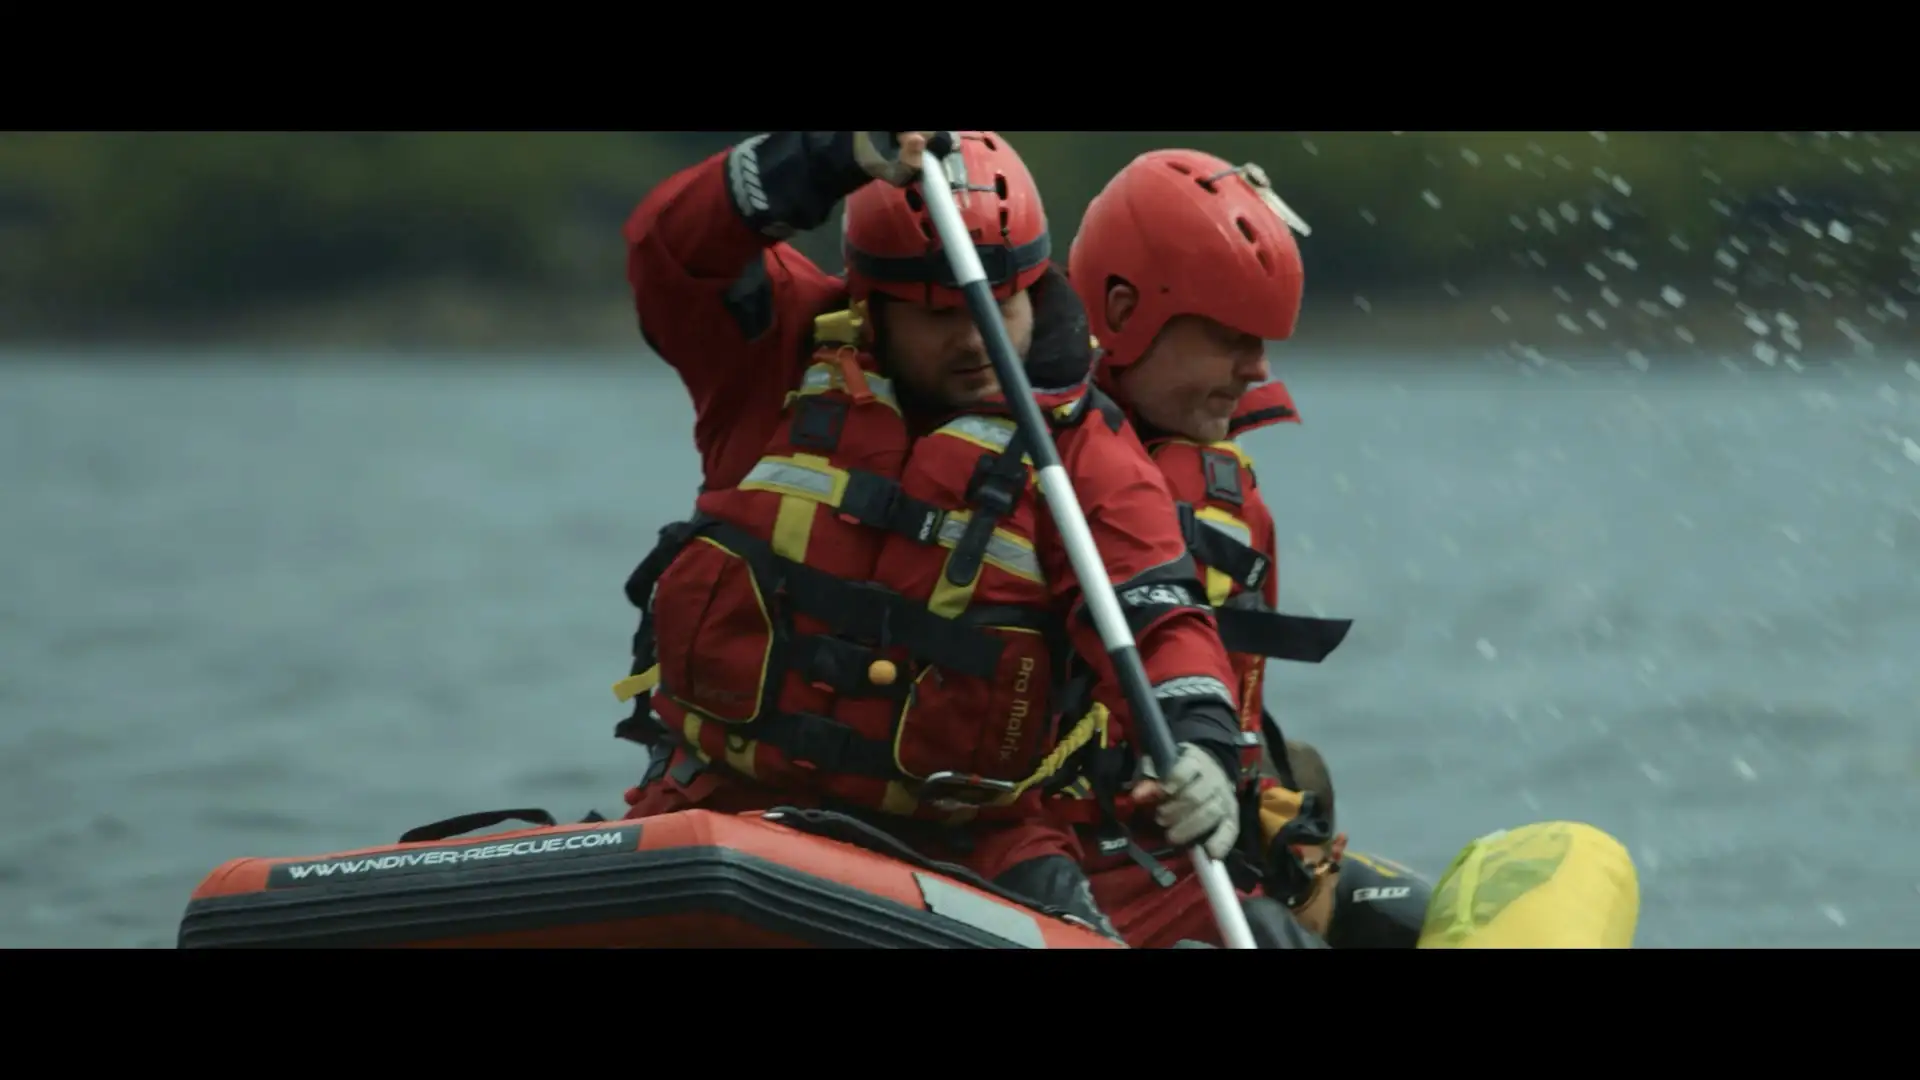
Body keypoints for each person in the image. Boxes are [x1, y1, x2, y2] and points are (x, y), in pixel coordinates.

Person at [607, 131, 1250, 936]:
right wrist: (819, 156)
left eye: (1002, 301)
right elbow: (672, 253)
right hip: (727, 801)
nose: (977, 336)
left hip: (967, 838)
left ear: (1036, 288)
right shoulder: (775, 357)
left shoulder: (1086, 454)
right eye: (939, 315)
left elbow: (1162, 620)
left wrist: (1203, 749)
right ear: (872, 304)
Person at [1044, 147, 1363, 947]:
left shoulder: (1222, 490)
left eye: (1263, 341)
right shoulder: (1027, 466)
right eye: (1230, 336)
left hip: (1187, 845)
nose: (1256, 369)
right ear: (1121, 310)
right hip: (1045, 855)